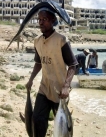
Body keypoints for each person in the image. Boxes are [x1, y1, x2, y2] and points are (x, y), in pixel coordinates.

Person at [25, 7, 78, 137]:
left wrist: (66, 86)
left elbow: (73, 65)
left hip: (60, 92)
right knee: (37, 120)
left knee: (62, 126)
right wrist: (31, 79)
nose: (41, 22)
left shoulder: (61, 40)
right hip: (44, 88)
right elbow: (38, 63)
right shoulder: (37, 41)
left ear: (53, 20)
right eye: (39, 20)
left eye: (45, 19)